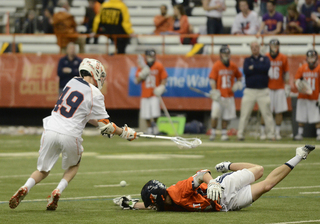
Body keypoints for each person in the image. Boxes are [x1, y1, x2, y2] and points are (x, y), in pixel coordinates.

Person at [9, 58, 139, 211]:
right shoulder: (95, 93)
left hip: (51, 129)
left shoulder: (71, 82)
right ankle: (58, 190)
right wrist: (124, 132)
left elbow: (86, 116)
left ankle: (26, 186)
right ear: (95, 72)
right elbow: (106, 126)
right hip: (70, 134)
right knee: (74, 165)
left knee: (43, 170)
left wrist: (107, 128)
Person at [114, 145, 315, 212]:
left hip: (221, 187)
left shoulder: (176, 192)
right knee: (268, 186)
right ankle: (300, 155)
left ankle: (228, 165)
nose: (154, 207)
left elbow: (201, 173)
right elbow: (148, 205)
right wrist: (130, 204)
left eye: (154, 204)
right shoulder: (163, 201)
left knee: (260, 170)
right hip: (226, 205)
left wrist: (212, 183)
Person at [237, 41, 274, 141]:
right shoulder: (247, 60)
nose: (254, 48)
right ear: (250, 48)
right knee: (245, 114)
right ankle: (240, 134)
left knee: (267, 114)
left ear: (259, 47)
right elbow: (246, 71)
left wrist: (254, 68)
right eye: (252, 47)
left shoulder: (265, 59)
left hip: (263, 90)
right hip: (250, 90)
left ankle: (271, 134)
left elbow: (266, 68)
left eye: (256, 46)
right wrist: (258, 68)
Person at [208, 45, 242, 141]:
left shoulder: (233, 65)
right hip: (219, 95)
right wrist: (214, 91)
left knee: (226, 116)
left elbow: (239, 76)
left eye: (227, 53)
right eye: (224, 54)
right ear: (220, 55)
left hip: (229, 95)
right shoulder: (217, 65)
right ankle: (213, 133)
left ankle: (224, 133)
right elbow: (212, 79)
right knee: (215, 114)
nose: (226, 55)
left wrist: (238, 84)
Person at [260, 39, 289, 140]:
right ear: (269, 46)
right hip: (267, 87)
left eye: (276, 45)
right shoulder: (265, 57)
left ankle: (277, 132)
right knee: (265, 111)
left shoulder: (283, 57)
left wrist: (287, 85)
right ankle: (263, 131)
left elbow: (286, 72)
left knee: (279, 111)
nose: (274, 47)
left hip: (279, 87)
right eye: (272, 45)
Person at [135, 49, 168, 135]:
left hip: (154, 93)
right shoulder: (142, 66)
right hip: (145, 93)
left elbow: (164, 78)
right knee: (146, 114)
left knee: (155, 113)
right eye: (150, 56)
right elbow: (136, 81)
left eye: (153, 56)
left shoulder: (158, 65)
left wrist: (161, 87)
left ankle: (155, 128)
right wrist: (142, 75)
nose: (151, 58)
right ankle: (149, 129)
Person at [294, 49, 320, 140]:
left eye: (313, 57)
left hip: (314, 96)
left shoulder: (319, 68)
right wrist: (299, 85)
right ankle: (300, 133)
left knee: (316, 116)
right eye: (309, 57)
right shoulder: (302, 68)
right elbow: (296, 80)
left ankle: (319, 134)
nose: (311, 59)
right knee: (301, 115)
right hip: (303, 96)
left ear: (316, 58)